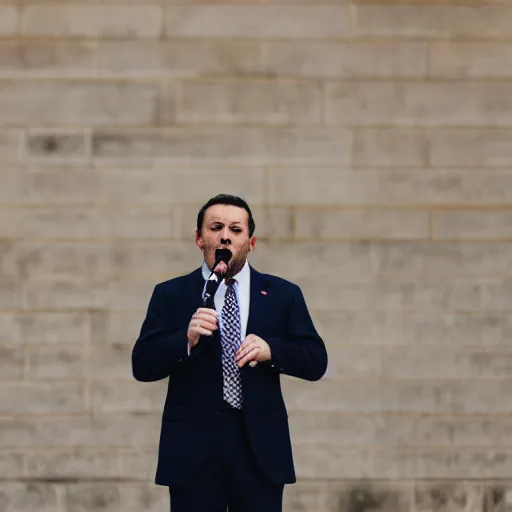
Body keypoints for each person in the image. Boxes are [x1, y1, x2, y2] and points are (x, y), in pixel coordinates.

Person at [131, 194, 328, 512]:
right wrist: (186, 339)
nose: (226, 235)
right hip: (193, 448)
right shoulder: (171, 294)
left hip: (258, 447)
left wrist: (271, 349)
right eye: (216, 227)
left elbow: (316, 359)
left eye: (236, 229)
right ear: (199, 238)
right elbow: (142, 364)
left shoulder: (282, 294)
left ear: (251, 242)